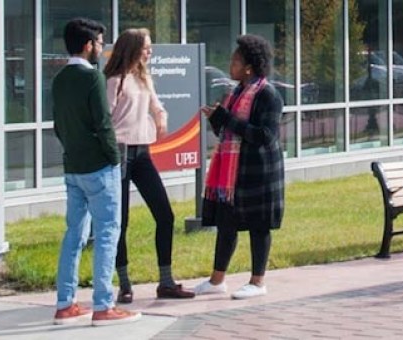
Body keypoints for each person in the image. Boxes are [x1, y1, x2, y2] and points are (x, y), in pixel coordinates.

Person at [50, 17, 140, 326]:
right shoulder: (93, 79)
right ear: (88, 46)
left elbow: (57, 125)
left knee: (74, 234)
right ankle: (104, 305)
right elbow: (103, 124)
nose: (101, 49)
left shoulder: (59, 78)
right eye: (100, 44)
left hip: (72, 166)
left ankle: (65, 303)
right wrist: (114, 158)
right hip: (99, 168)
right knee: (107, 233)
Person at [102, 28, 194, 303]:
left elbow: (156, 105)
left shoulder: (143, 77)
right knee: (122, 221)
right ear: (132, 49)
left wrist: (161, 118)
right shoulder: (113, 80)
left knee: (165, 215)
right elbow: (105, 118)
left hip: (142, 153)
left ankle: (166, 281)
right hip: (119, 152)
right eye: (146, 47)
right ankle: (124, 283)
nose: (150, 52)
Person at [192, 34, 286, 300]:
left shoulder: (268, 95)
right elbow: (228, 128)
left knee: (259, 226)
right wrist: (216, 119)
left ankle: (257, 281)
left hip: (259, 171)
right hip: (233, 173)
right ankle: (216, 280)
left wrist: (227, 119)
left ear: (248, 67)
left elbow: (265, 135)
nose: (229, 65)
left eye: (234, 61)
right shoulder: (236, 93)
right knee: (226, 224)